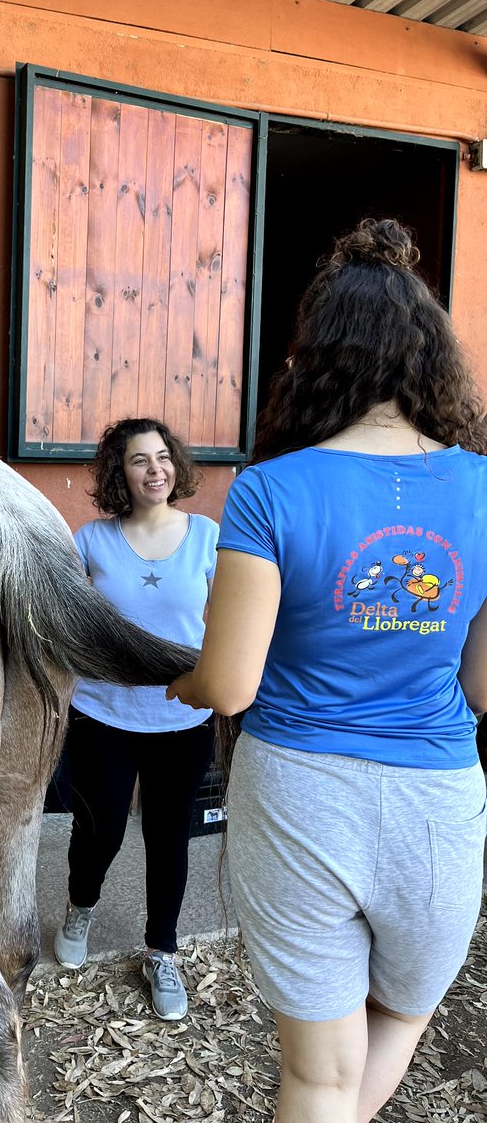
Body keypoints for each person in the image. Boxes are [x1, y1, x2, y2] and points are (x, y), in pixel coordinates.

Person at [167, 218, 487, 1121]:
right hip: (436, 797)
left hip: (298, 791)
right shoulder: (485, 487)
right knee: (402, 1016)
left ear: (319, 356)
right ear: (431, 359)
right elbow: (483, 689)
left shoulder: (271, 489)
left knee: (316, 1076)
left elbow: (229, 685)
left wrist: (186, 682)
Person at [53, 417, 218, 1020]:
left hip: (184, 717)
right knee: (100, 830)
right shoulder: (91, 541)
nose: (155, 470)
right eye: (139, 461)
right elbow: (68, 626)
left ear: (177, 464)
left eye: (163, 457)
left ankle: (162, 950)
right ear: (118, 474)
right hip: (105, 714)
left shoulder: (207, 537)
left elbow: (225, 627)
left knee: (170, 837)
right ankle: (81, 904)